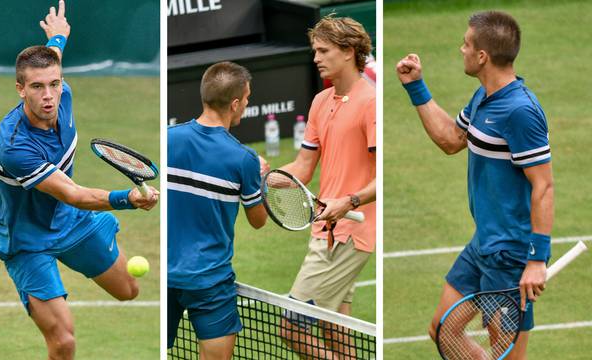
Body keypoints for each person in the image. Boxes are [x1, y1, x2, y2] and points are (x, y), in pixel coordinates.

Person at [0, 2, 159, 359]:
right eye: (37, 87)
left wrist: (57, 36)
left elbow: (51, 58)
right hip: (27, 240)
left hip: (71, 223)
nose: (48, 95)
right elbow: (73, 194)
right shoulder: (14, 147)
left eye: (54, 84)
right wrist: (128, 198)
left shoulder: (62, 95)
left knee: (129, 290)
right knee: (64, 342)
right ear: (20, 89)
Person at [396, 11, 553, 359]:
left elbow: (544, 186)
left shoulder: (520, 111)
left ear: (482, 56)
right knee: (442, 330)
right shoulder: (483, 97)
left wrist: (537, 260)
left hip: (511, 254)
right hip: (483, 243)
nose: (460, 49)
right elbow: (451, 139)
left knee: (507, 355)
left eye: (466, 44)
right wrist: (416, 87)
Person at [273, 15, 377, 358]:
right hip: (327, 228)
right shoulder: (321, 101)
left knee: (291, 326)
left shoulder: (371, 103)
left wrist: (348, 202)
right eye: (315, 50)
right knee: (335, 329)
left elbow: (383, 177)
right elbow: (302, 169)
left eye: (323, 50)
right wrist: (260, 177)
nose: (315, 58)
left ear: (348, 52)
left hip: (350, 232)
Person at [166, 61, 268, 359]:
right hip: (210, 282)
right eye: (247, 99)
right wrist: (259, 180)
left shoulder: (168, 138)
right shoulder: (244, 159)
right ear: (235, 103)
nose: (247, 104)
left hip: (168, 278)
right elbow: (258, 220)